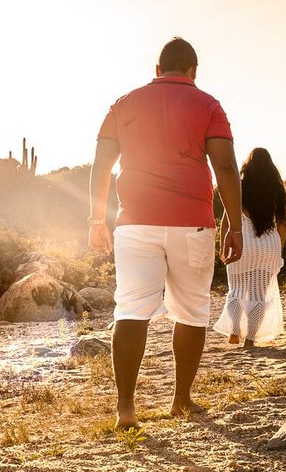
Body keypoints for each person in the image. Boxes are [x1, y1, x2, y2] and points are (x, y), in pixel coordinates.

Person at [88, 37, 244, 431]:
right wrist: (234, 224)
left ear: (157, 70)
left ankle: (126, 409)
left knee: (131, 309)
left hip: (135, 224)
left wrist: (96, 219)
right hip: (193, 223)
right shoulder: (208, 105)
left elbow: (102, 165)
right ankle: (181, 400)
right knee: (192, 310)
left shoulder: (123, 104)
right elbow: (226, 167)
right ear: (194, 71)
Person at [214, 148, 286, 347]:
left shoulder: (239, 187)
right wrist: (278, 251)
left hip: (243, 244)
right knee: (259, 295)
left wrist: (223, 246)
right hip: (268, 247)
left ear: (248, 165)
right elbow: (282, 225)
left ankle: (234, 331)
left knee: (236, 290)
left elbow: (227, 222)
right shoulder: (277, 189)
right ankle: (251, 338)